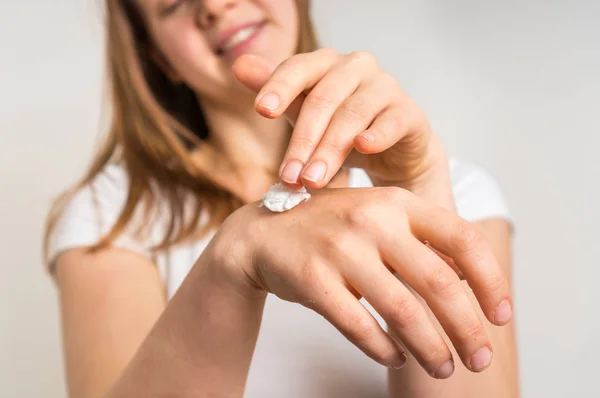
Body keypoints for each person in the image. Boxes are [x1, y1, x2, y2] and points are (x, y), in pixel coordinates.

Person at [45, 0, 519, 397]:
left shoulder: (457, 189)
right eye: (172, 1)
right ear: (159, 57)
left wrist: (421, 188)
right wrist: (233, 258)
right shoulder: (110, 214)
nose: (212, 5)